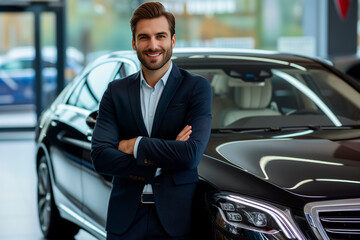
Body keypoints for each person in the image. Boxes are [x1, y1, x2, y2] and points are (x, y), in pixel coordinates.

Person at [91, 2, 212, 240]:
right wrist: (165, 157)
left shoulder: (196, 88)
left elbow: (190, 154)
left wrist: (134, 145)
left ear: (173, 41)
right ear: (134, 43)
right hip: (125, 218)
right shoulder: (116, 92)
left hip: (177, 221)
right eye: (144, 37)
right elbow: (101, 157)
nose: (153, 45)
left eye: (161, 36)